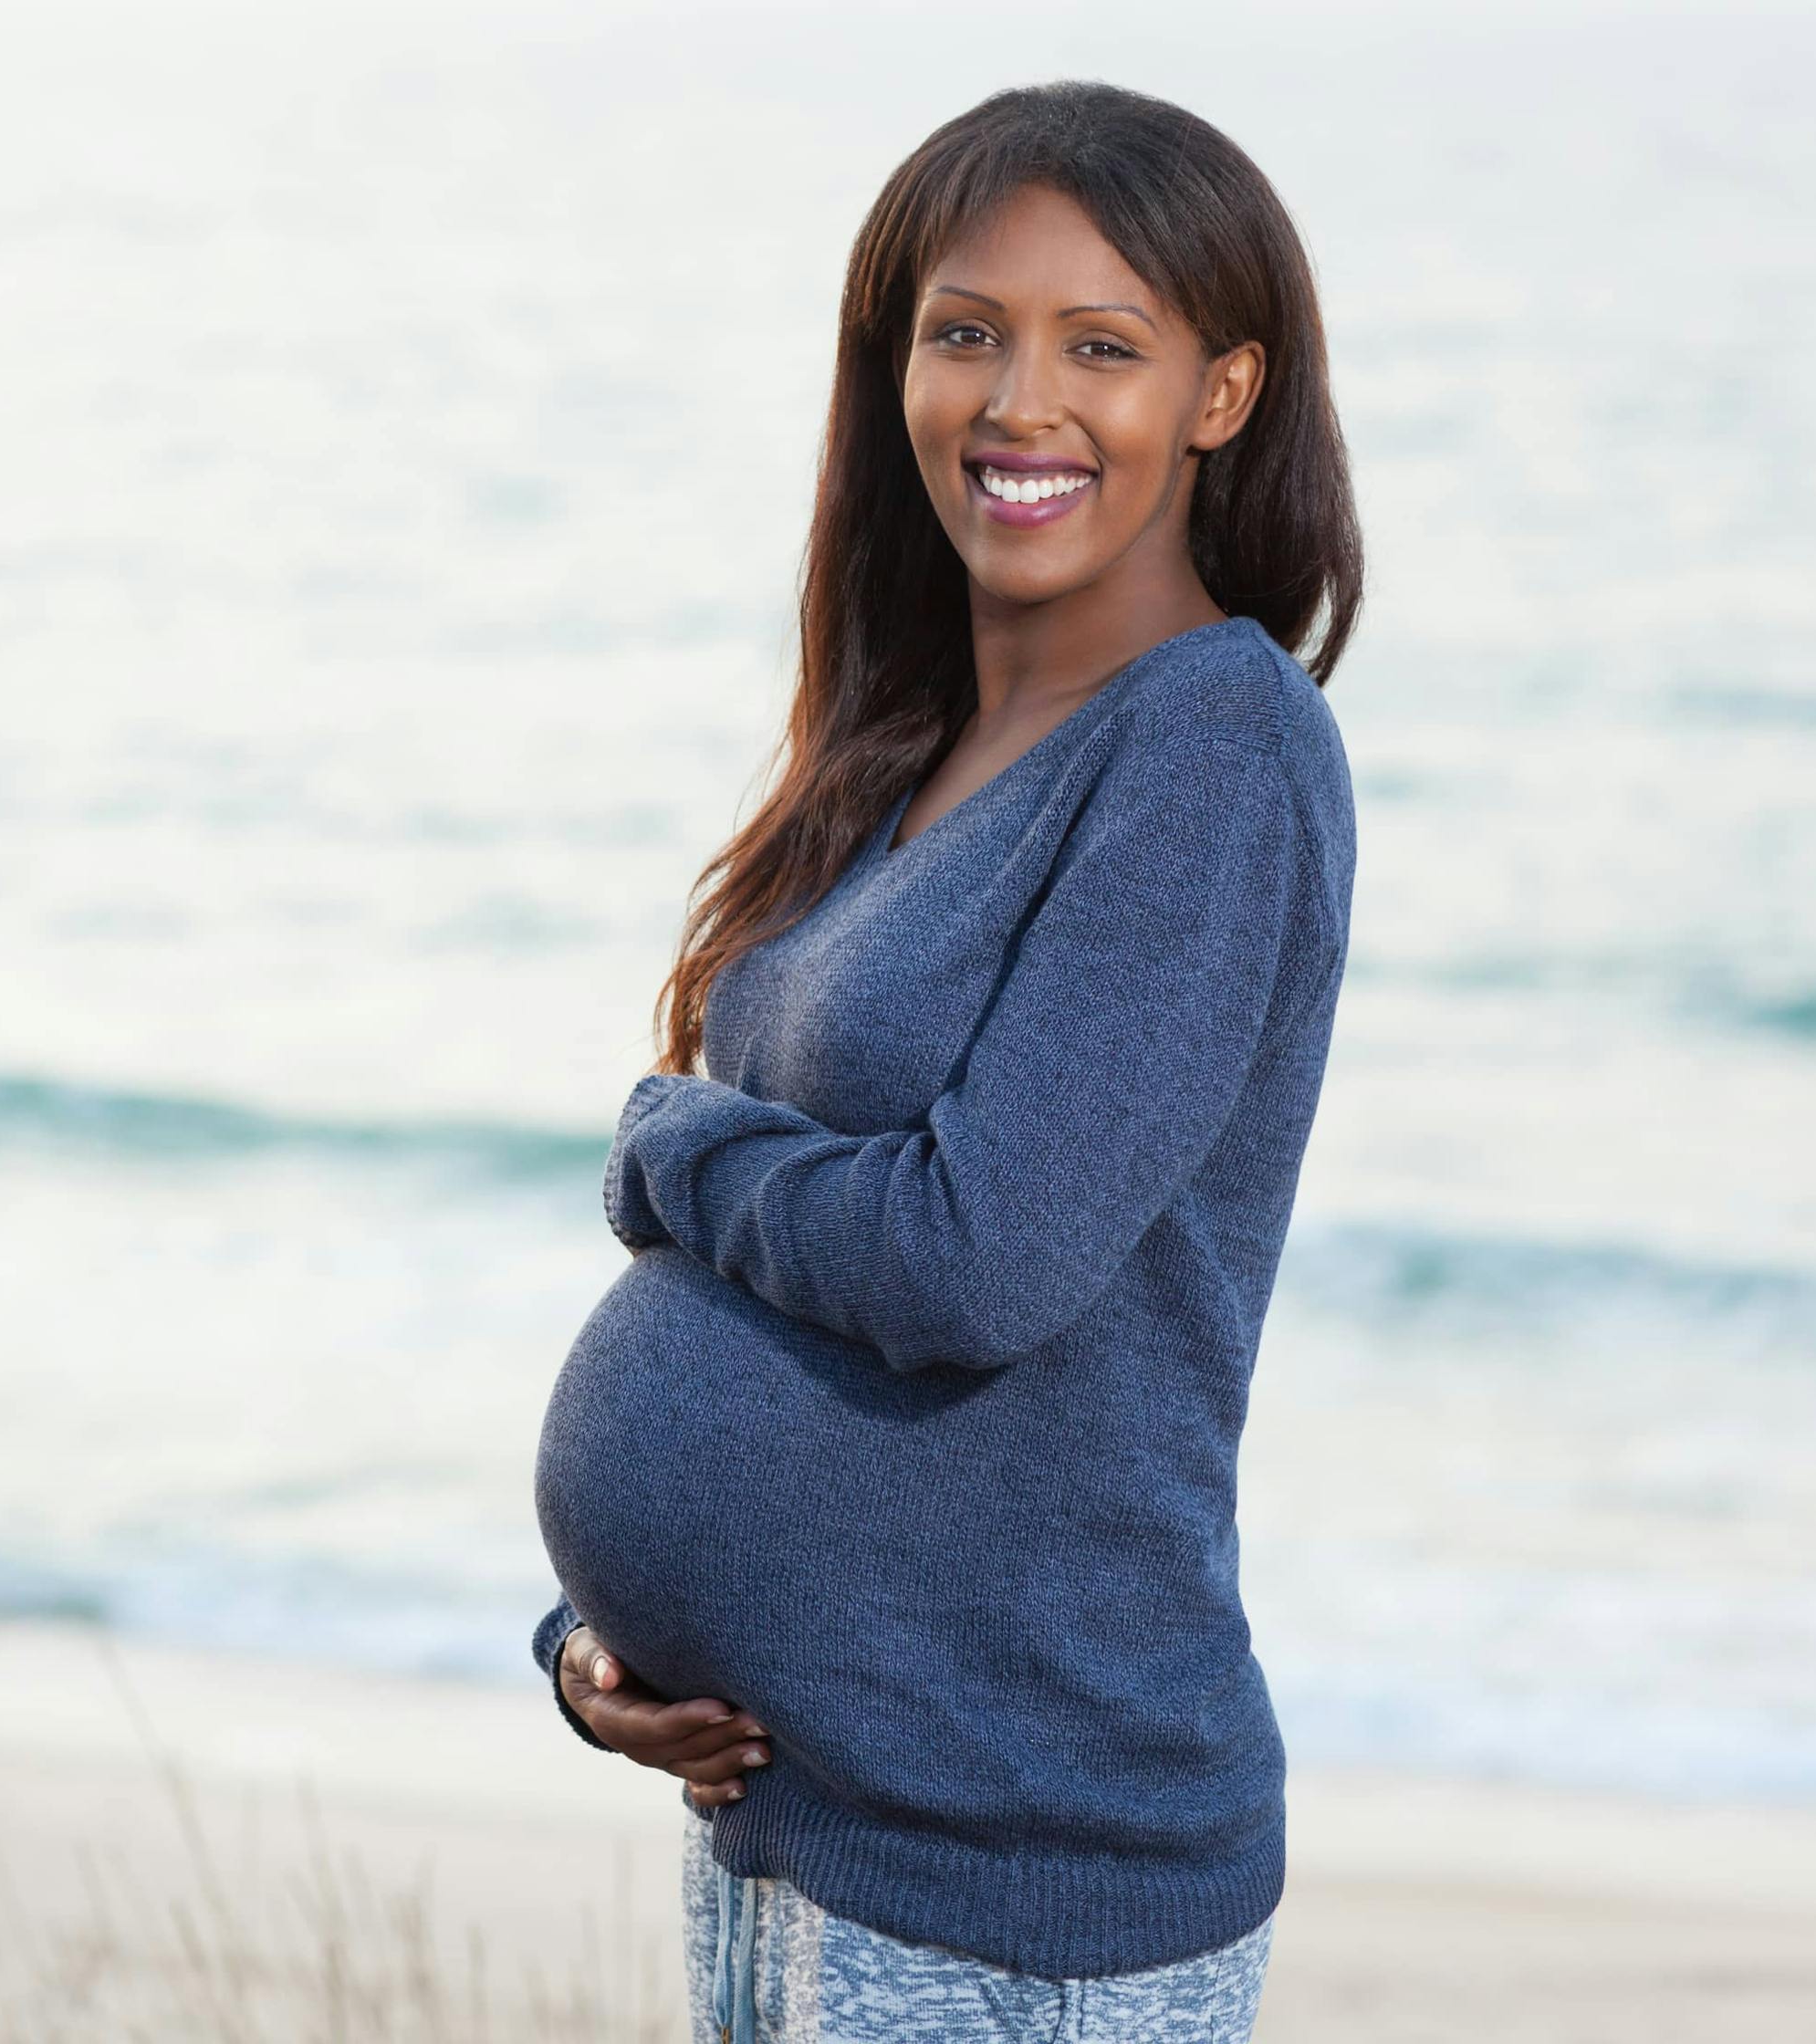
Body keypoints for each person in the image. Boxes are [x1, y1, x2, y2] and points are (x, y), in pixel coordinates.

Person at [525, 79, 1364, 2044]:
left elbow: (975, 1258)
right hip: (793, 1827)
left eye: (1104, 346)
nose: (1020, 399)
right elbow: (783, 1318)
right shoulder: (898, 747)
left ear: (1223, 395)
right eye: (966, 328)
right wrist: (599, 1644)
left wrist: (673, 1149)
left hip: (1018, 1873)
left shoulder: (1213, 752)